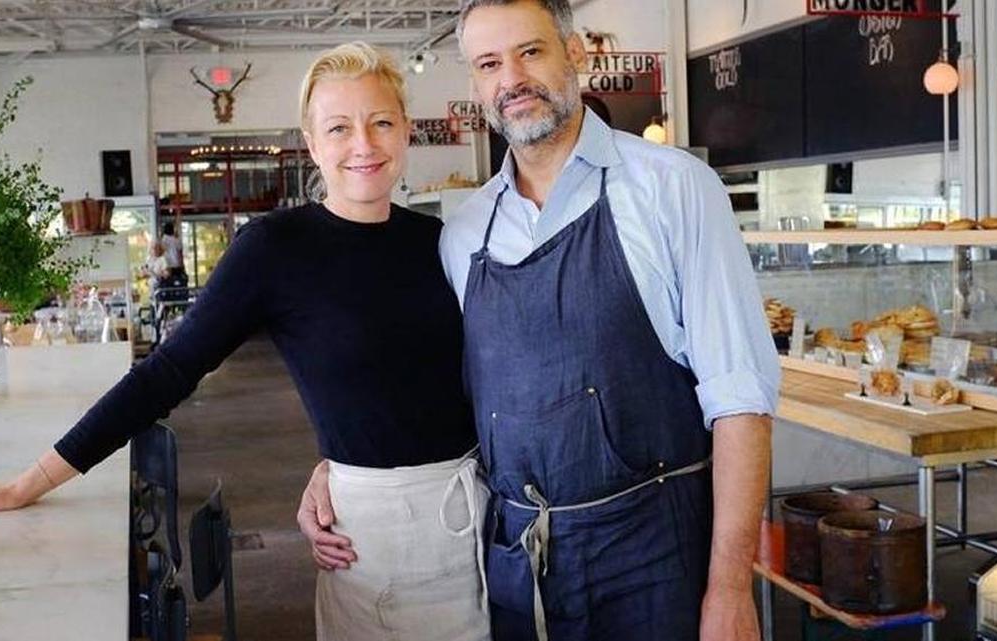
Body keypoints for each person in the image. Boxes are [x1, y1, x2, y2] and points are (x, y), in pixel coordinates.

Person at [0, 42, 490, 641]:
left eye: (381, 122)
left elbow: (469, 382)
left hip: (480, 523)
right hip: (372, 548)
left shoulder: (444, 242)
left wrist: (334, 457)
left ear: (405, 128)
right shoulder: (276, 249)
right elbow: (166, 372)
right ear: (311, 141)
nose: (364, 144)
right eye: (339, 127)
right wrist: (28, 482)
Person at [299, 2, 781, 640]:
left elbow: (740, 399)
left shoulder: (674, 189)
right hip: (518, 567)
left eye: (531, 52)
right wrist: (341, 461)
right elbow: (437, 388)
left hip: (656, 559)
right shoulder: (465, 232)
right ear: (476, 85)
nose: (512, 78)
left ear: (574, 54)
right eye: (490, 64)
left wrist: (729, 588)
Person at [159, 221, 188, 288]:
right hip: (177, 265)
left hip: (167, 266)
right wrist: (182, 265)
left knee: (168, 285)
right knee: (178, 284)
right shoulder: (177, 240)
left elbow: (161, 253)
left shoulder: (163, 240)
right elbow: (180, 254)